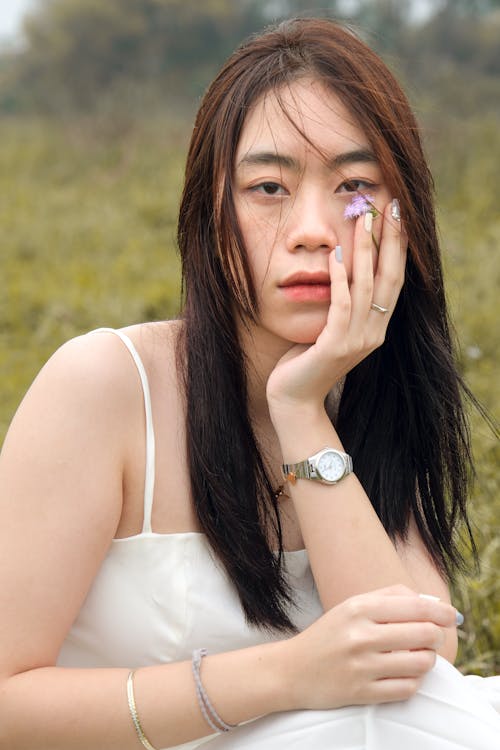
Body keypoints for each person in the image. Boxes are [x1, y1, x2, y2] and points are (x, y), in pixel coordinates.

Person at [0, 16, 498, 750]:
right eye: (269, 187)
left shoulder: (373, 392)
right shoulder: (106, 385)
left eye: (355, 188)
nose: (313, 228)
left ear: (400, 221)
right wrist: (286, 675)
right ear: (209, 211)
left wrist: (300, 410)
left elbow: (414, 671)